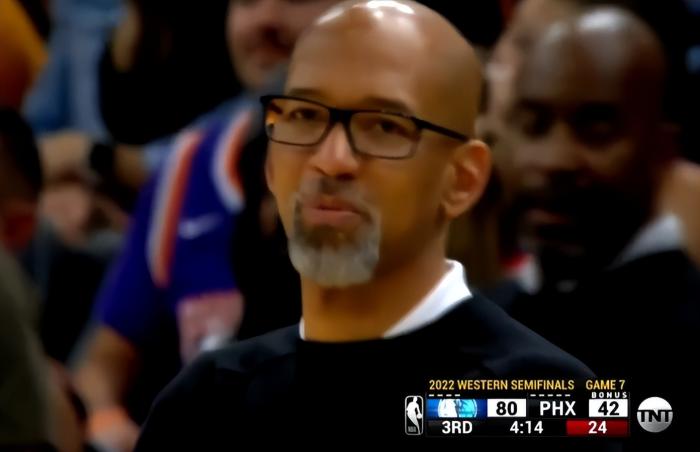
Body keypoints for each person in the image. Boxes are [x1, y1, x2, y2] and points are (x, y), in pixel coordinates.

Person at [134, 1, 595, 447]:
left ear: (462, 179)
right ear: (270, 165)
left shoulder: (551, 403)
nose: (332, 160)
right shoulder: (201, 403)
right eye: (305, 116)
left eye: (385, 126)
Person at [72, 1, 342, 451]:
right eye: (247, 0)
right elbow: (100, 366)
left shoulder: (417, 179)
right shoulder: (189, 164)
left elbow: (471, 404)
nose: (265, 18)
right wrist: (106, 423)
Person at [500, 6, 700, 445]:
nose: (555, 160)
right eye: (534, 125)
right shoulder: (478, 310)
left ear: (662, 149)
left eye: (596, 130)